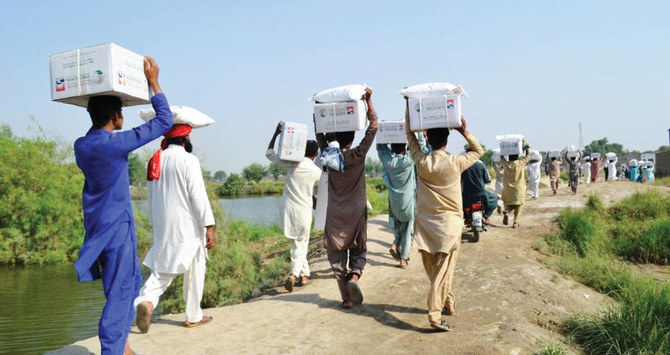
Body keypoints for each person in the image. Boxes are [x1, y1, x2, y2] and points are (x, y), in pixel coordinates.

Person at [73, 57, 173, 355]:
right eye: (120, 112)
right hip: (117, 229)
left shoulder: (82, 145)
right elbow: (165, 122)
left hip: (97, 227)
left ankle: (123, 346)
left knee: (120, 285)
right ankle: (112, 350)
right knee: (120, 293)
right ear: (116, 116)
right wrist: (153, 82)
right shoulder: (114, 144)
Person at [405, 104, 483, 332]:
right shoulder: (456, 162)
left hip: (426, 226)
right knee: (442, 272)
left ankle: (448, 301)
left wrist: (409, 105)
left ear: (428, 140)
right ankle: (435, 316)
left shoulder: (421, 161)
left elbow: (409, 135)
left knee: (435, 272)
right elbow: (479, 151)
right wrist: (463, 131)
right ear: (446, 141)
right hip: (449, 226)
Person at [134, 125, 216, 333]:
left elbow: (151, 195)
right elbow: (198, 196)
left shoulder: (156, 159)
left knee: (163, 268)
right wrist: (209, 225)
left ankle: (147, 301)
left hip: (163, 224)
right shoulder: (189, 160)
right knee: (195, 269)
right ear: (185, 138)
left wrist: (154, 222)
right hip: (187, 224)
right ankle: (193, 315)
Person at [323, 87, 377, 309]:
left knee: (336, 256)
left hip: (335, 213)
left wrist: (321, 113)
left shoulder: (328, 157)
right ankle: (354, 275)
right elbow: (373, 127)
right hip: (356, 211)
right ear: (353, 137)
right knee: (359, 247)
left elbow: (320, 134)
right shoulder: (358, 155)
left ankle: (346, 297)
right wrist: (369, 101)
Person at [266, 123, 321, 291]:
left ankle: (304, 276)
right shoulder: (316, 171)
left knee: (296, 245)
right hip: (304, 211)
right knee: (301, 244)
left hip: (288, 210)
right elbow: (321, 193)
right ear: (316, 154)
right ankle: (294, 275)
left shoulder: (291, 163)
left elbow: (269, 154)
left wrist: (276, 133)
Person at [376, 136, 424, 269]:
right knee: (408, 229)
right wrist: (416, 132)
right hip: (408, 202)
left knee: (397, 226)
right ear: (405, 148)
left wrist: (383, 133)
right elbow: (419, 146)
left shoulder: (389, 163)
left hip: (394, 203)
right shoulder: (408, 161)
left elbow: (380, 148)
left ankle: (395, 244)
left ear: (392, 148)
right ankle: (403, 258)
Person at [461, 153, 497, 224]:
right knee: (494, 200)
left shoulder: (463, 166)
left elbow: (459, 180)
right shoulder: (481, 165)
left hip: (467, 194)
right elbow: (487, 180)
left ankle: (467, 218)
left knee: (460, 205)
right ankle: (485, 216)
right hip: (481, 193)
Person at [502, 146, 530, 228]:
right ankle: (515, 222)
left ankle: (507, 212)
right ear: (517, 156)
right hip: (519, 189)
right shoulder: (521, 163)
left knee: (509, 204)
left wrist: (503, 148)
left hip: (507, 189)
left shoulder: (505, 164)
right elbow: (528, 156)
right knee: (519, 205)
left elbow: (501, 157)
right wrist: (526, 147)